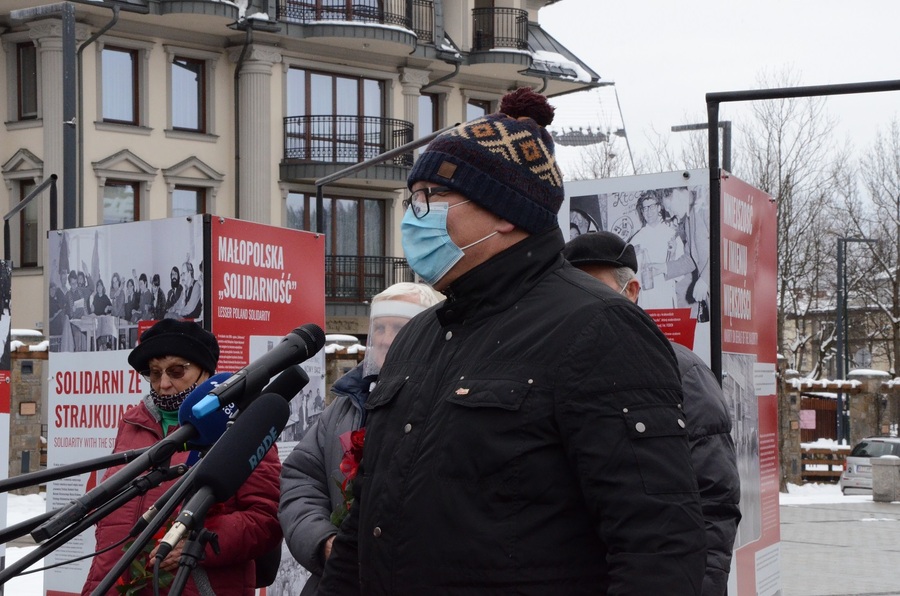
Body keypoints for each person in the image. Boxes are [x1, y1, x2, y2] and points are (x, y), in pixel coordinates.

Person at [319, 88, 705, 595]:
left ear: (505, 213)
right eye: (412, 199)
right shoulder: (419, 335)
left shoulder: (600, 327)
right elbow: (368, 520)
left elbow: (657, 546)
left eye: (431, 198)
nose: (414, 217)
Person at [562, 230, 742, 596]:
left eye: (594, 287)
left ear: (631, 292)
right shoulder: (551, 368)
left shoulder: (681, 371)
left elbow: (714, 503)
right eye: (570, 287)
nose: (579, 300)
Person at [82, 319, 283, 596]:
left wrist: (197, 543)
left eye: (177, 371)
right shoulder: (131, 424)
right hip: (115, 584)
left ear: (205, 372)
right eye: (154, 373)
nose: (164, 384)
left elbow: (266, 519)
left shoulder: (241, 426)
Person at [279, 282, 440, 595]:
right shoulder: (343, 406)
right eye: (379, 327)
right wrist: (325, 542)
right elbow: (301, 479)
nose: (384, 339)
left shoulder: (446, 401)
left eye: (399, 327)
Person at [628, 190, 684, 308]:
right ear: (642, 212)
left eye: (651, 206)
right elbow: (630, 272)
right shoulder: (636, 239)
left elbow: (681, 271)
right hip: (646, 296)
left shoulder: (672, 235)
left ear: (659, 208)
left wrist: (672, 255)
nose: (648, 211)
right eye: (645, 208)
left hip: (666, 293)